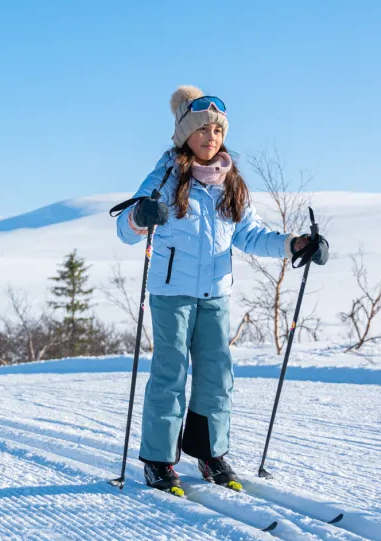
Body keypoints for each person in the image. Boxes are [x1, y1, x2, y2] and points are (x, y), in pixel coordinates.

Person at [116, 86, 328, 494]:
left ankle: (210, 453)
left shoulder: (230, 183)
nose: (211, 137)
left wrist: (294, 244)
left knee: (217, 375)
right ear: (185, 135)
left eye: (217, 130)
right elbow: (126, 227)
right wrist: (141, 215)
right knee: (170, 372)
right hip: (171, 292)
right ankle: (159, 461)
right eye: (202, 130)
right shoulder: (166, 174)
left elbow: (250, 234)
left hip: (215, 294)